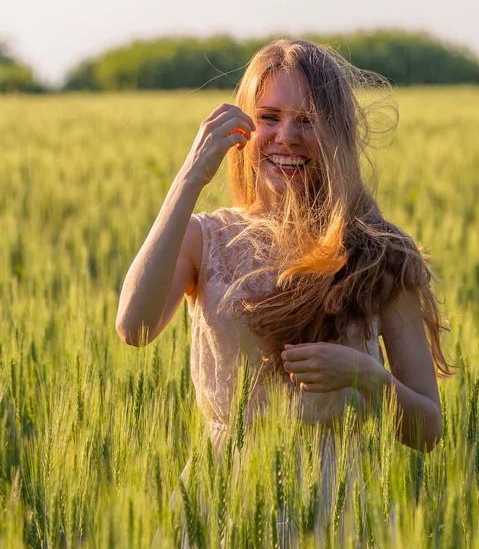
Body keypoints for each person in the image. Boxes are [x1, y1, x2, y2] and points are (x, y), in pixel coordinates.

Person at [115, 39, 453, 546]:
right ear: (242, 130)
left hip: (335, 512)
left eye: (308, 120)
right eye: (269, 117)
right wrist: (188, 180)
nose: (285, 138)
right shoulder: (205, 238)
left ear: (337, 133)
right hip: (220, 506)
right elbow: (133, 328)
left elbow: (428, 429)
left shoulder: (378, 252)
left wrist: (369, 378)